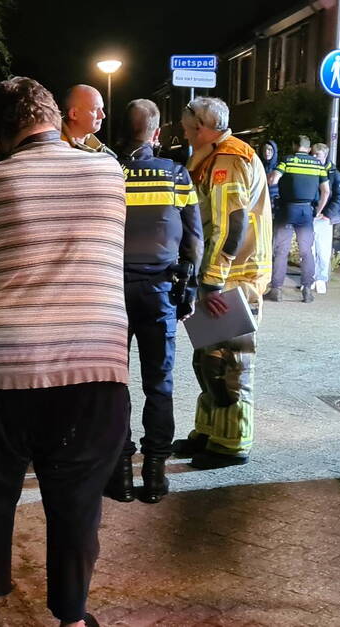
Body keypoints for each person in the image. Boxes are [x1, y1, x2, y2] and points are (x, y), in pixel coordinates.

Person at [0, 76, 128, 627]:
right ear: (55, 117)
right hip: (94, 368)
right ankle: (71, 615)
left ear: (2, 129)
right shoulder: (109, 174)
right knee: (77, 502)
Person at [106, 99, 203, 505]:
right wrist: (190, 288)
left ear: (123, 132)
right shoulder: (176, 176)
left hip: (110, 294)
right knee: (158, 384)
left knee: (114, 384)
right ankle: (156, 473)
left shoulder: (108, 172)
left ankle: (121, 473)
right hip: (160, 292)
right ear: (157, 133)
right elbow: (194, 239)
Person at [173, 97, 272, 469]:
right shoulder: (216, 157)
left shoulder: (227, 160)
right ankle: (210, 432)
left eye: (186, 129)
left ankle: (232, 444)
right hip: (223, 276)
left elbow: (231, 224)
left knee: (231, 361)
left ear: (201, 127)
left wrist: (212, 281)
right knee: (209, 359)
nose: (183, 135)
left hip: (234, 277)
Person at [265, 135, 330, 303]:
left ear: (295, 145)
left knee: (281, 250)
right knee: (306, 251)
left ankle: (276, 290)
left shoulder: (287, 160)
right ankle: (307, 290)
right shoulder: (318, 164)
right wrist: (318, 210)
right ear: (309, 149)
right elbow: (326, 191)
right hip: (306, 212)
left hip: (287, 210)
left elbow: (273, 180)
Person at [310, 142, 340, 294]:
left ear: (324, 156)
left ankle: (321, 279)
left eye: (317, 155)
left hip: (324, 218)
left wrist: (327, 215)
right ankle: (311, 278)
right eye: (312, 153)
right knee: (309, 250)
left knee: (323, 250)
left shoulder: (335, 174)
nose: (313, 157)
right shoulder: (311, 170)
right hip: (311, 216)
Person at [60, 84, 115, 156]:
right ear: (74, 114)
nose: (102, 115)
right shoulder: (55, 148)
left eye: (101, 109)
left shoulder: (101, 150)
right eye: (95, 109)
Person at [260, 140, 280, 212]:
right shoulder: (259, 165)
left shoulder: (279, 166)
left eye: (270, 150)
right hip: (261, 200)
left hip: (275, 201)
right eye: (264, 150)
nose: (266, 152)